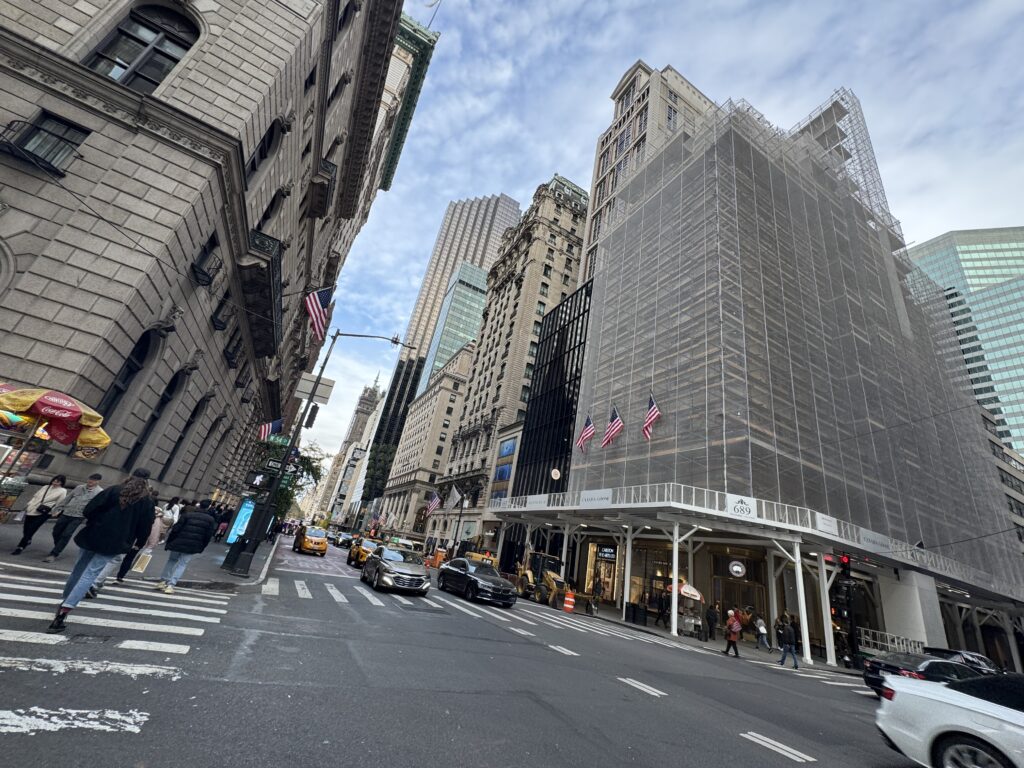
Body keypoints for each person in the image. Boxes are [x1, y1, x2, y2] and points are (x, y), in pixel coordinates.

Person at [46, 469, 155, 633]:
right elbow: (145, 525)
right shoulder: (146, 500)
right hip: (116, 541)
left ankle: (65, 601)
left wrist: (96, 522)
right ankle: (65, 610)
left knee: (78, 570)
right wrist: (138, 542)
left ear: (131, 476)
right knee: (90, 573)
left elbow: (89, 509)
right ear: (147, 481)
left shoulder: (114, 490)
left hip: (94, 534)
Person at [156, 499, 217, 594]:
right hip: (193, 545)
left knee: (171, 561)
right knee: (182, 564)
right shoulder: (210, 520)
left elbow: (175, 529)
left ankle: (163, 581)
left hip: (178, 541)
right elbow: (208, 536)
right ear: (209, 507)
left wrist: (169, 542)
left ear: (199, 505)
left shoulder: (187, 515)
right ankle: (171, 585)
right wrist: (202, 546)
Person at [43, 474, 102, 562]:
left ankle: (54, 553)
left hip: (79, 516)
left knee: (66, 534)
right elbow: (68, 498)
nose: (91, 481)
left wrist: (90, 516)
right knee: (56, 531)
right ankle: (58, 545)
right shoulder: (79, 487)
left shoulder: (99, 492)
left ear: (98, 482)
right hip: (67, 512)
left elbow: (96, 506)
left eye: (93, 480)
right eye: (90, 479)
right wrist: (58, 508)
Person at [12, 475, 67, 555]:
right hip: (32, 509)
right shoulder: (46, 487)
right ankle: (28, 539)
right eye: (54, 480)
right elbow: (35, 496)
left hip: (44, 512)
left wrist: (55, 512)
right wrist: (29, 504)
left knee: (32, 529)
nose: (55, 483)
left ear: (61, 483)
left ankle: (21, 546)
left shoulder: (62, 491)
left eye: (58, 482)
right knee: (26, 528)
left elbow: (60, 502)